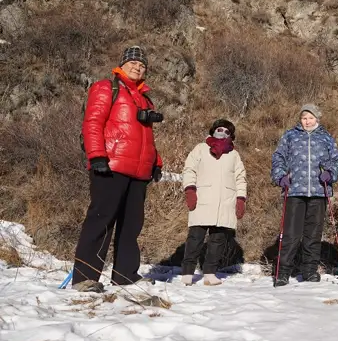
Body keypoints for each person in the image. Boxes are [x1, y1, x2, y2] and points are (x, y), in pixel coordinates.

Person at [73, 46, 163, 292]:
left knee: (132, 225)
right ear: (121, 65)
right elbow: (92, 122)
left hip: (139, 172)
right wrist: (96, 155)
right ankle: (84, 278)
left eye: (142, 65)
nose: (137, 67)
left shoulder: (144, 98)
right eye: (133, 62)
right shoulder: (106, 87)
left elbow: (146, 137)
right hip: (110, 165)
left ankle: (125, 275)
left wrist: (156, 162)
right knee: (101, 220)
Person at [271, 104, 338, 286]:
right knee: (290, 234)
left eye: (311, 118)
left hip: (319, 192)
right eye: (304, 118)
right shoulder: (290, 136)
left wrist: (331, 173)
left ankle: (310, 271)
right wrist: (280, 176)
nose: (307, 121)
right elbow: (278, 157)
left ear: (317, 119)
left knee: (313, 234)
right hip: (294, 191)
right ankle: (283, 272)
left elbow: (336, 160)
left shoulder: (326, 138)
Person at [180, 119, 247, 286]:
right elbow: (189, 170)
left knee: (218, 240)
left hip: (225, 202)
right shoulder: (200, 149)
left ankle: (210, 273)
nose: (222, 132)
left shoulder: (234, 154)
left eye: (226, 131)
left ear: (231, 135)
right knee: (195, 238)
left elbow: (240, 178)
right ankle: (187, 272)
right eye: (219, 129)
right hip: (203, 199)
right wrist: (190, 189)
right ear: (213, 130)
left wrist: (240, 199)